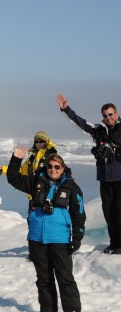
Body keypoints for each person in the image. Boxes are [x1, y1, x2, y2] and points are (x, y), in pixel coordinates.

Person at [6, 145, 85, 312]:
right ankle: (48, 309)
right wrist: (16, 159)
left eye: (57, 167)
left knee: (65, 277)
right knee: (43, 276)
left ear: (63, 169)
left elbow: (79, 214)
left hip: (60, 239)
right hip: (37, 238)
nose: (53, 170)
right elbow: (13, 178)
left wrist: (77, 238)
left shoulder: (72, 188)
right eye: (50, 166)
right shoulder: (36, 182)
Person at [57, 93, 121, 253]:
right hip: (105, 179)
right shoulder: (98, 131)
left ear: (117, 114)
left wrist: (115, 150)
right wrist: (66, 109)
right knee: (109, 213)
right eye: (105, 115)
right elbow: (81, 123)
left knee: (120, 212)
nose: (108, 117)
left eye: (111, 114)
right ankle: (114, 244)